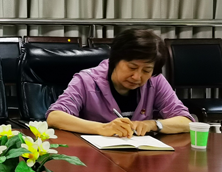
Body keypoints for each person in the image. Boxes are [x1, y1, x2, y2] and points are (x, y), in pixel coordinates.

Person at [47, 28, 193, 137]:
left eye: (146, 70)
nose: (137, 77)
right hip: (95, 158)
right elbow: (55, 117)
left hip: (141, 158)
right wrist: (102, 128)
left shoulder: (155, 81)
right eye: (132, 67)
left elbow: (186, 121)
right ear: (115, 60)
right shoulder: (86, 81)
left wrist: (153, 124)